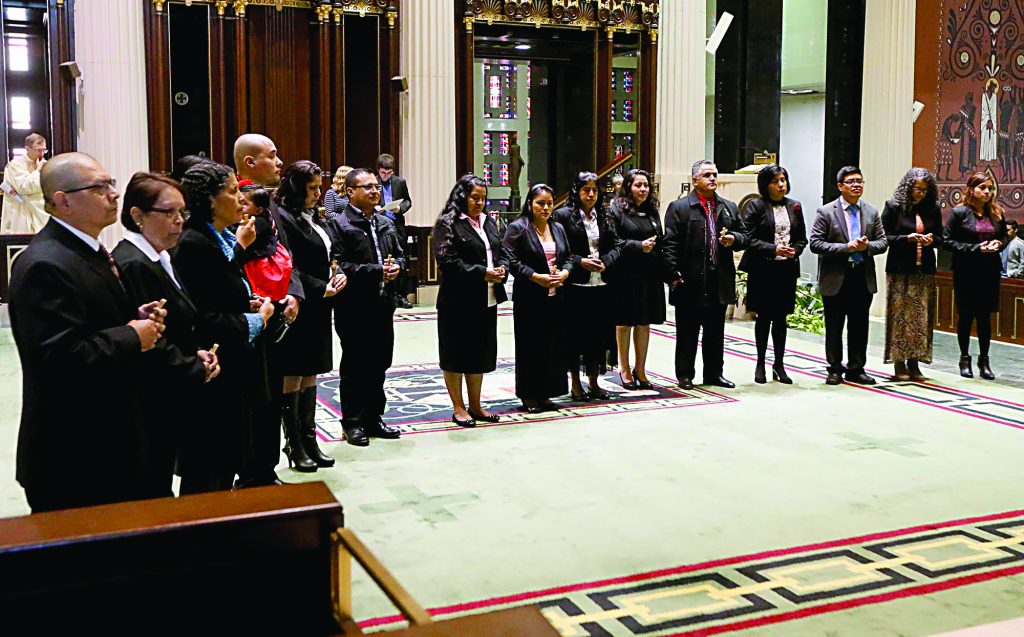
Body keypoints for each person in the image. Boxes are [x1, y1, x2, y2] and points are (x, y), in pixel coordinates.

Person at [8, 153, 168, 512]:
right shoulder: (45, 263)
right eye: (99, 188)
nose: (114, 194)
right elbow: (57, 356)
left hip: (113, 440)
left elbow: (89, 320)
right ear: (62, 201)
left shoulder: (86, 250)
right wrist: (131, 336)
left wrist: (133, 317)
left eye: (111, 184)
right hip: (74, 452)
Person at [112, 172, 221, 497]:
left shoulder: (158, 257)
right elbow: (151, 337)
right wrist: (192, 366)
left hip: (175, 383)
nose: (178, 222)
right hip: (155, 394)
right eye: (169, 213)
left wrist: (195, 354)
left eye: (182, 213)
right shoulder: (135, 263)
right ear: (137, 215)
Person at [173, 161, 275, 493]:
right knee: (210, 468)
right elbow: (201, 315)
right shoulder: (195, 242)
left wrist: (246, 302)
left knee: (230, 459)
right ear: (210, 200)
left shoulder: (219, 237)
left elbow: (220, 291)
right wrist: (255, 320)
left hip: (236, 361)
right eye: (232, 192)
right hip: (216, 366)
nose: (241, 201)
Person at [234, 133, 304, 487]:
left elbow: (286, 254)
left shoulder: (272, 203)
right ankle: (252, 474)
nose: (280, 162)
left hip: (277, 309)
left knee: (272, 395)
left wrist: (294, 293)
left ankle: (266, 469)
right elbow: (235, 258)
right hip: (249, 314)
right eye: (272, 156)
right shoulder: (236, 205)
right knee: (255, 401)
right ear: (250, 162)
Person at [275, 160, 347, 470]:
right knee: (293, 372)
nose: (318, 193)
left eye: (320, 187)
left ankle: (309, 438)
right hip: (301, 303)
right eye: (312, 188)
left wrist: (339, 273)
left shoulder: (315, 218)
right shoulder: (284, 219)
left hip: (320, 305)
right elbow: (289, 266)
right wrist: (321, 286)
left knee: (312, 371)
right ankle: (294, 443)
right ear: (296, 188)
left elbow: (330, 255)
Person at [327, 168, 405, 446]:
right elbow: (339, 265)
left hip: (384, 303)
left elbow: (400, 255)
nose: (374, 191)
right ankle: (352, 421)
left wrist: (397, 267)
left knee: (380, 362)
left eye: (376, 187)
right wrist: (376, 271)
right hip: (354, 306)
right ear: (350, 192)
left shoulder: (384, 222)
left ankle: (374, 417)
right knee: (356, 364)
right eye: (367, 187)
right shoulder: (339, 223)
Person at [432, 174, 509, 426]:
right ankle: (458, 406)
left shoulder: (488, 222)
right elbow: (447, 262)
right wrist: (482, 272)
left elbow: (503, 253)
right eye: (475, 197)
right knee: (456, 353)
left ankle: (476, 405)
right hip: (457, 300)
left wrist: (502, 270)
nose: (479, 203)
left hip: (486, 299)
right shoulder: (449, 223)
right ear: (462, 196)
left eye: (483, 198)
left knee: (479, 353)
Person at [663, 160, 747, 390]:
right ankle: (685, 374)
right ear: (694, 180)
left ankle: (714, 374)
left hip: (718, 279)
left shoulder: (728, 206)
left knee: (715, 332)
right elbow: (669, 244)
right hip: (689, 280)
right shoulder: (679, 207)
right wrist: (673, 275)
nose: (712, 179)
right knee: (687, 332)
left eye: (715, 174)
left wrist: (735, 239)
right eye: (707, 175)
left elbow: (744, 235)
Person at [809, 166, 888, 386]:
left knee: (859, 325)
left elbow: (883, 242)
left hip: (861, 276)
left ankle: (856, 368)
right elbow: (815, 243)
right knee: (834, 326)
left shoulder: (871, 212)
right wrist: (846, 247)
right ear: (840, 186)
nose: (856, 185)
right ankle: (834, 368)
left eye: (860, 181)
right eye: (851, 181)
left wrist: (866, 246)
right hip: (836, 277)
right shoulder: (826, 212)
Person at [500, 183, 572, 413]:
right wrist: (535, 277)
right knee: (530, 345)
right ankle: (529, 394)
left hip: (556, 295)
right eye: (541, 203)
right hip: (529, 296)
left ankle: (547, 392)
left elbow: (568, 257)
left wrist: (564, 273)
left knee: (552, 345)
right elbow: (510, 259)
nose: (546, 208)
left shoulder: (558, 228)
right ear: (530, 204)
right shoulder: (518, 228)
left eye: (549, 203)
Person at [553, 171, 621, 400]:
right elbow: (560, 251)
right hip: (575, 286)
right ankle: (575, 383)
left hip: (602, 285)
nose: (591, 194)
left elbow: (616, 246)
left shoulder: (605, 215)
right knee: (574, 336)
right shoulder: (563, 216)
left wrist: (606, 261)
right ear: (577, 192)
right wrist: (581, 261)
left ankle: (594, 381)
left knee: (598, 336)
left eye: (594, 190)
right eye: (586, 190)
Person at [738, 164, 807, 384]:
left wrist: (795, 250)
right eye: (776, 181)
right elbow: (747, 237)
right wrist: (773, 249)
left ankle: (779, 364)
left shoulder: (795, 206)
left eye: (783, 180)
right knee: (764, 317)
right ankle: (760, 363)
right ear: (766, 185)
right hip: (763, 269)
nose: (781, 185)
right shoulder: (755, 206)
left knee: (781, 318)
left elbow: (802, 238)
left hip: (785, 270)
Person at [943, 172, 1008, 380]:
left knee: (984, 318)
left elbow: (1004, 236)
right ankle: (964, 358)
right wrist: (975, 248)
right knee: (966, 316)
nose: (987, 192)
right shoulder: (959, 212)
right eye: (982, 188)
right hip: (966, 271)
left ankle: (985, 360)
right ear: (971, 189)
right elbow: (946, 241)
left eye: (990, 188)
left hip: (989, 272)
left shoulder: (996, 212)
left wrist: (999, 243)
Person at [881, 168, 943, 381]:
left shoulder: (933, 208)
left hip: (923, 270)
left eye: (925, 190)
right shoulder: (893, 207)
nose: (920, 193)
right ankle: (899, 362)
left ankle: (915, 362)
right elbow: (884, 237)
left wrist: (930, 240)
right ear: (908, 187)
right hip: (900, 269)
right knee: (900, 317)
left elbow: (941, 238)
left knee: (920, 317)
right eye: (917, 189)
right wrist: (907, 238)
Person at [606, 169, 664, 390]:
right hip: (625, 273)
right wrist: (639, 246)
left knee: (644, 320)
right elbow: (613, 242)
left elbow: (661, 238)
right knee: (625, 321)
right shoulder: (616, 210)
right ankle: (624, 368)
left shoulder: (652, 212)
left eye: (646, 185)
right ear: (628, 187)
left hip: (649, 273)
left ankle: (641, 368)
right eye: (638, 185)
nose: (643, 189)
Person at [376, 153, 414, 308]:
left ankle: (402, 296)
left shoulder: (399, 182)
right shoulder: (372, 182)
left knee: (401, 260)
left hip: (396, 225)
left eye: (389, 173)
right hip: (379, 224)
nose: (386, 176)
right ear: (378, 170)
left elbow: (408, 201)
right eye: (383, 173)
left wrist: (400, 208)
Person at [1, 133, 49, 234]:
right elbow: (24, 188)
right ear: (27, 149)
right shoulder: (15, 165)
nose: (41, 154)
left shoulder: (45, 165)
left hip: (40, 214)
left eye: (44, 150)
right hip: (21, 215)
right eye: (38, 150)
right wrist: (39, 170)